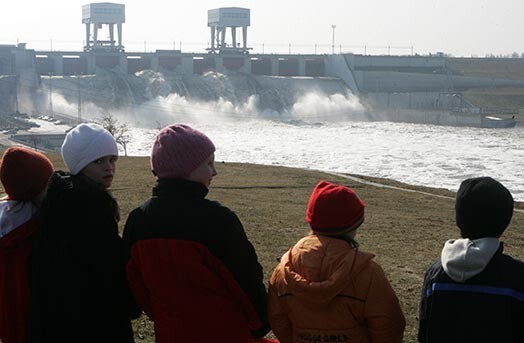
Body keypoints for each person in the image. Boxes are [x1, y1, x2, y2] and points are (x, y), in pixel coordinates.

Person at [122, 124, 270, 343]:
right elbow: (246, 280)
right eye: (209, 163)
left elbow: (135, 282)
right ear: (186, 168)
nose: (215, 171)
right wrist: (261, 325)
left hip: (171, 333)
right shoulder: (218, 220)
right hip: (226, 333)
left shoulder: (138, 219)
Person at [29, 123, 139, 343]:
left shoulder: (58, 200)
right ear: (80, 165)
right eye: (99, 161)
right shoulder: (92, 209)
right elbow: (108, 272)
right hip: (95, 323)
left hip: (59, 321)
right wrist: (130, 304)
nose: (109, 168)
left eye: (112, 159)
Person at [268, 180, 406, 343]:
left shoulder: (284, 269)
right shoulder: (369, 273)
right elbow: (388, 325)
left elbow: (277, 318)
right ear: (353, 227)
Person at [418, 176, 523, 343]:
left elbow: (424, 333)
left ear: (459, 220)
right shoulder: (517, 277)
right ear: (505, 220)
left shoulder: (435, 274)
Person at [0, 147, 54, 343]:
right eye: (48, 184)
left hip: (8, 324)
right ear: (34, 189)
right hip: (36, 325)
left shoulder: (6, 222)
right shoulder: (35, 228)